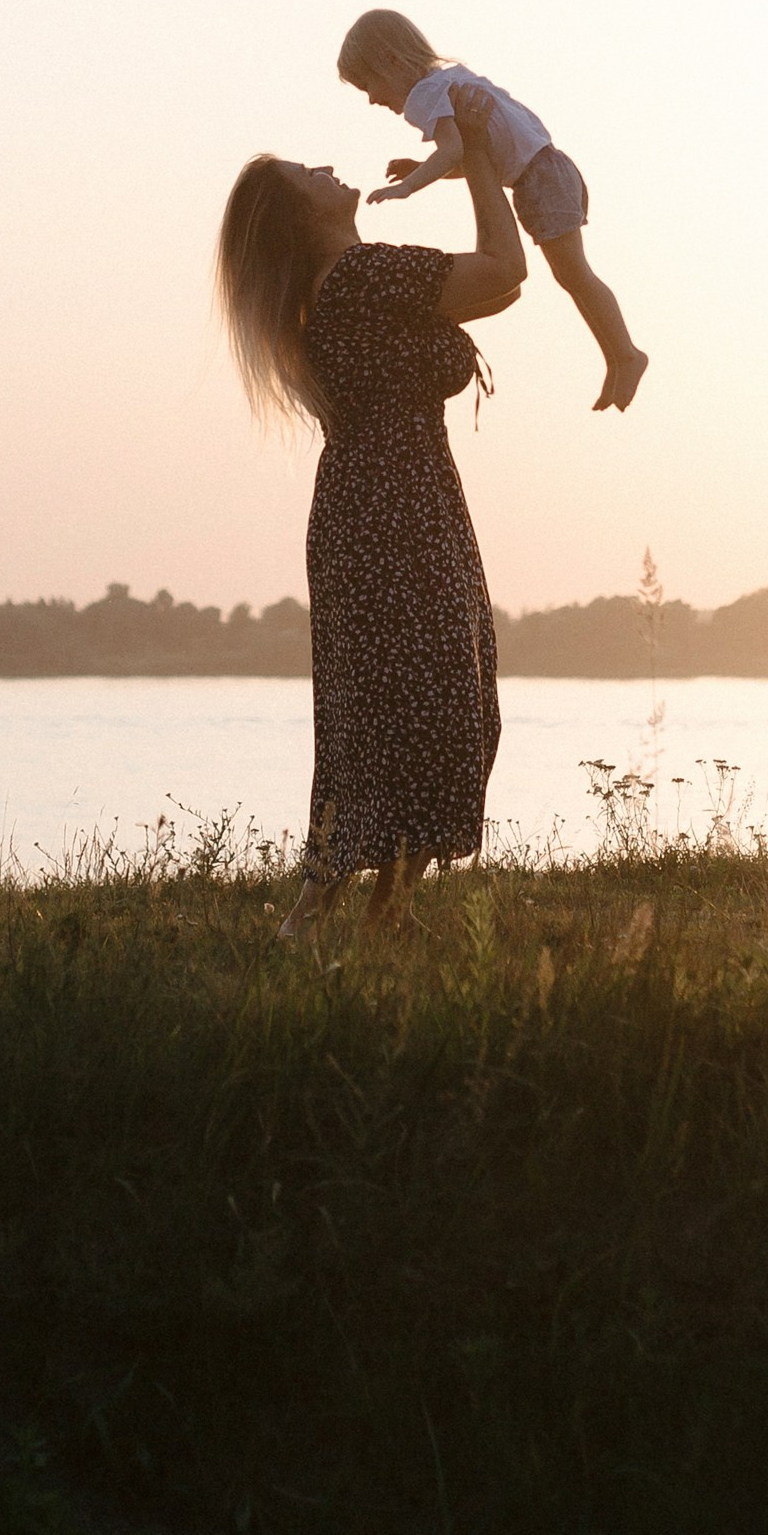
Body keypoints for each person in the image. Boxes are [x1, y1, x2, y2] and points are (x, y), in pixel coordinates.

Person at [218, 82, 525, 936]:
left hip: (386, 498)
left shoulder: (343, 287)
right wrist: (479, 162)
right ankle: (323, 917)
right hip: (398, 504)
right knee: (428, 706)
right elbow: (504, 276)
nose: (325, 167)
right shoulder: (359, 276)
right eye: (305, 173)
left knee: (401, 712)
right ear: (300, 216)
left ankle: (373, 915)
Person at [335, 6, 648, 411]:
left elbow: (451, 151)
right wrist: (422, 167)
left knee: (575, 275)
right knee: (572, 276)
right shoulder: (449, 79)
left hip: (538, 178)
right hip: (550, 168)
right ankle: (617, 356)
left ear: (391, 61)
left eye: (369, 86)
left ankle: (625, 354)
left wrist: (411, 186)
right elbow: (469, 154)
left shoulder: (424, 96)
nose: (374, 100)